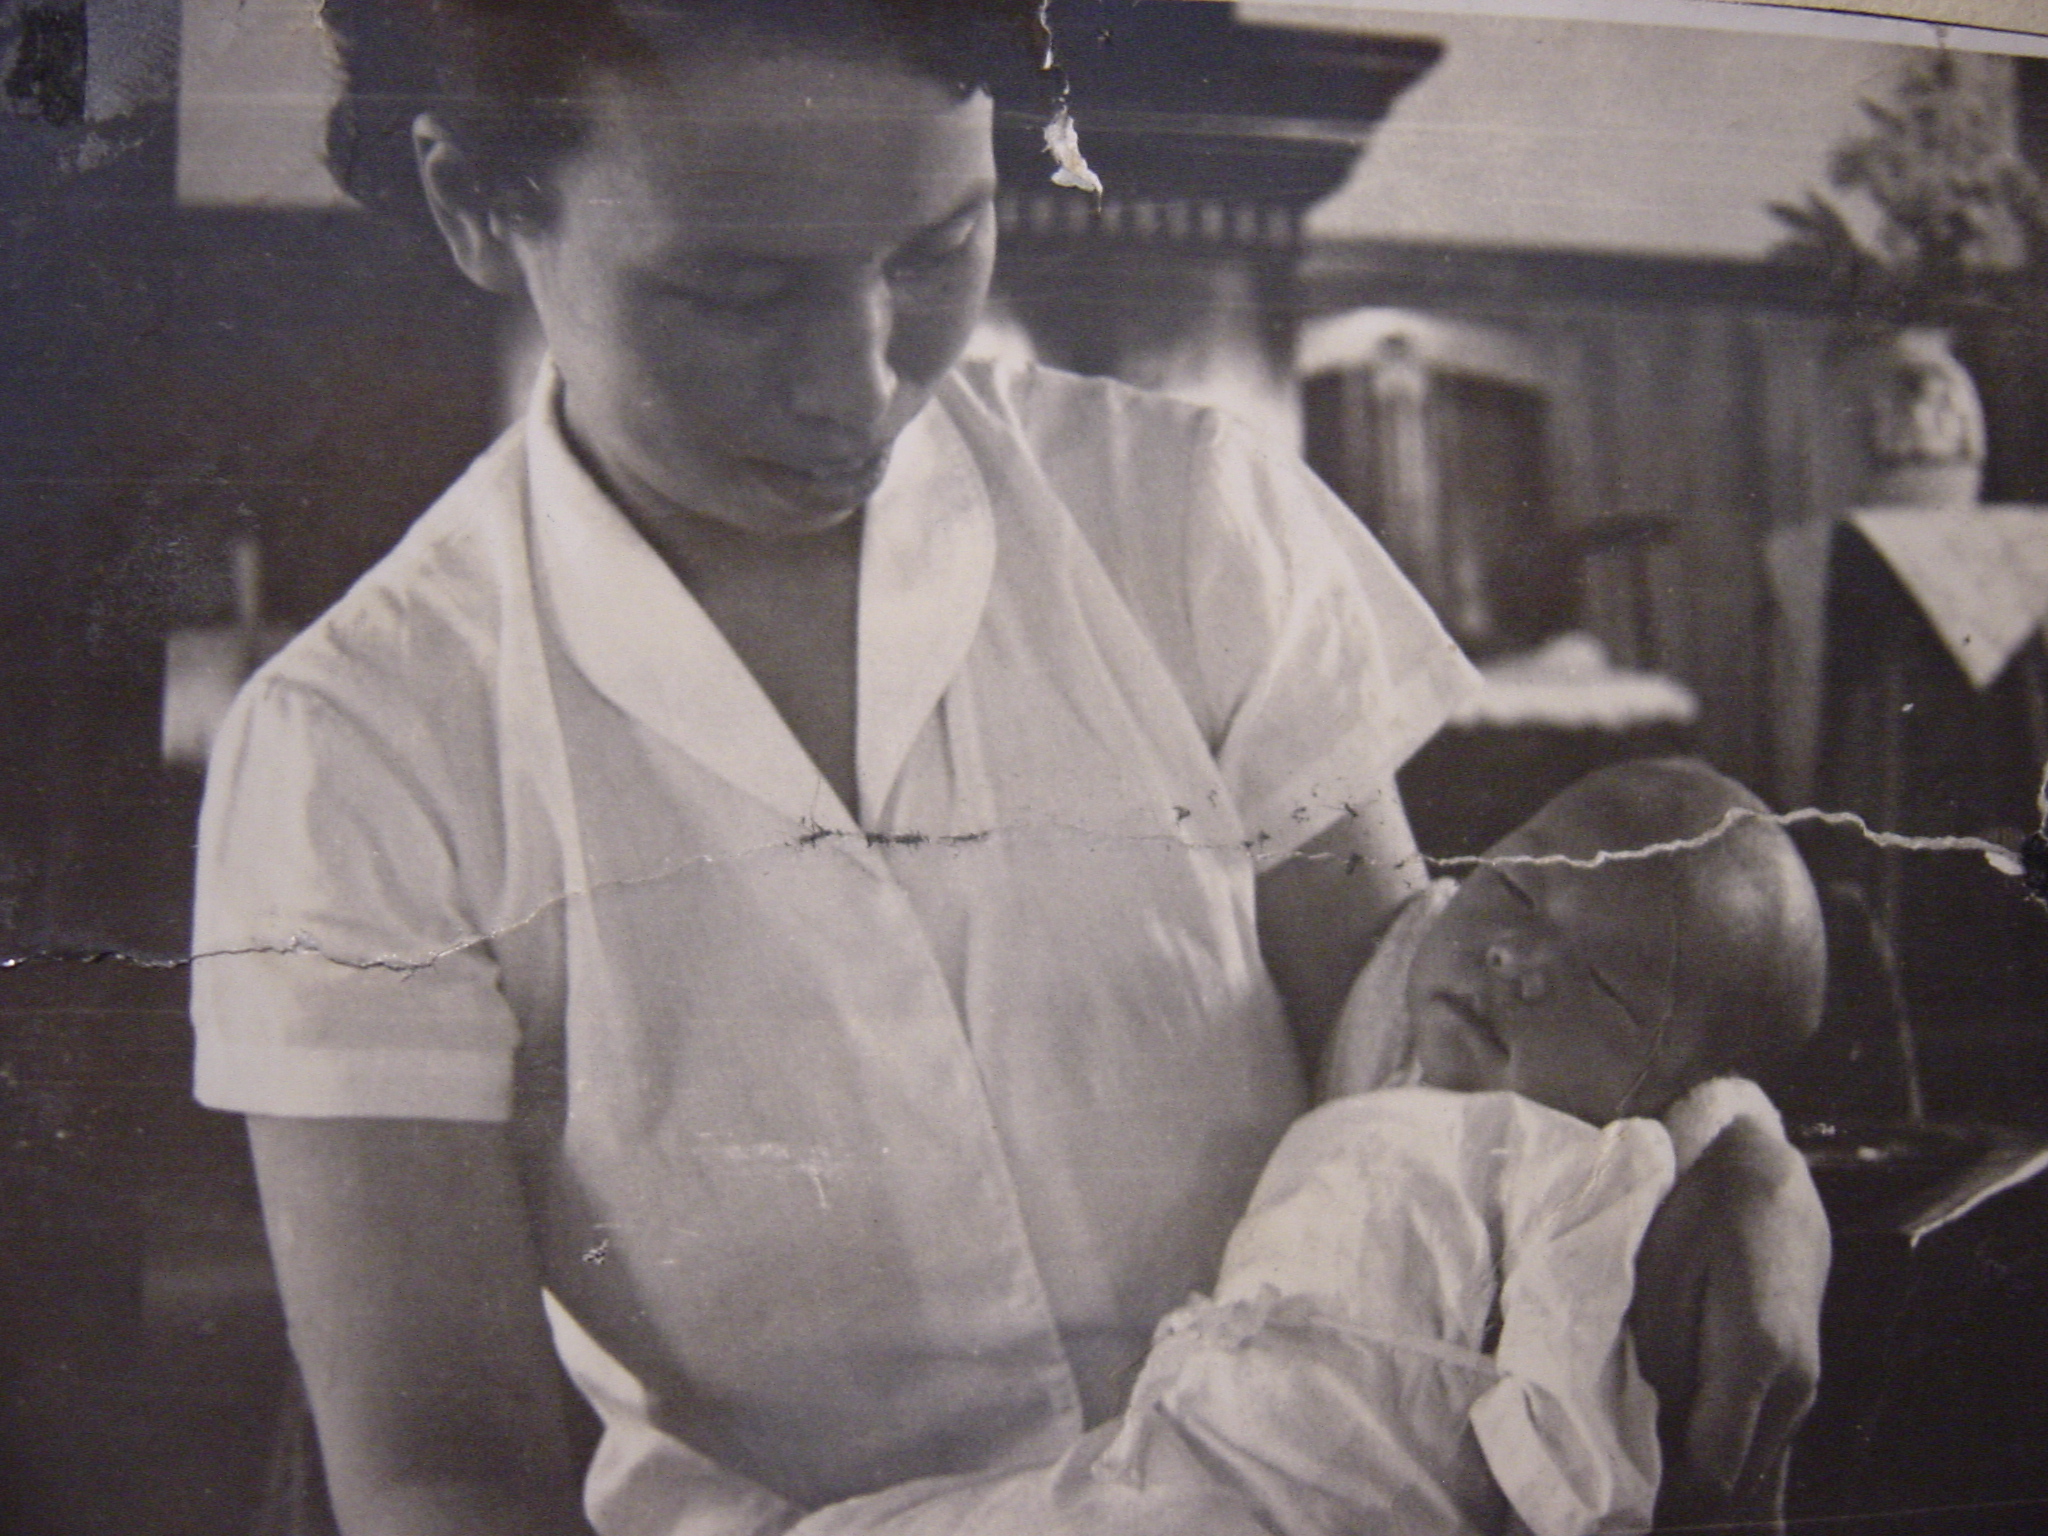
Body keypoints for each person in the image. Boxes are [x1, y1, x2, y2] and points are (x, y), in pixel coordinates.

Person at [187, 5, 1828, 1534]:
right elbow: (444, 1467)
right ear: (479, 208)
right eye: (736, 295)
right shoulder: (359, 752)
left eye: (938, 249)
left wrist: (1717, 1139)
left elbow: (1418, 1053)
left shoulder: (1180, 515)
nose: (855, 386)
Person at [794, 760, 1826, 1536]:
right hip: (1182, 1454)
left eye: (1601, 985)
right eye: (1513, 890)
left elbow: (1574, 1441)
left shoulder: (1580, 1171)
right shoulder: (1390, 1053)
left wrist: (1733, 1145)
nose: (1516, 959)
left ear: (1665, 1085)